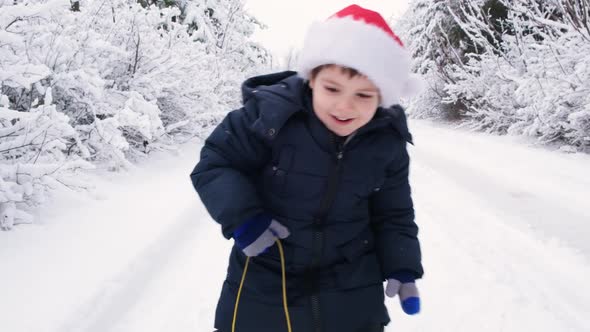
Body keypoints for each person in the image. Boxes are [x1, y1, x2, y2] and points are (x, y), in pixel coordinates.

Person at [190, 4, 424, 332]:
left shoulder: (387, 142)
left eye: (363, 95)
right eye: (332, 89)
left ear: (383, 98)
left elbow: (394, 212)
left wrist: (403, 265)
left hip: (351, 288)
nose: (345, 106)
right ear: (312, 78)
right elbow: (216, 163)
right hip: (267, 277)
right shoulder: (269, 117)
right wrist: (244, 219)